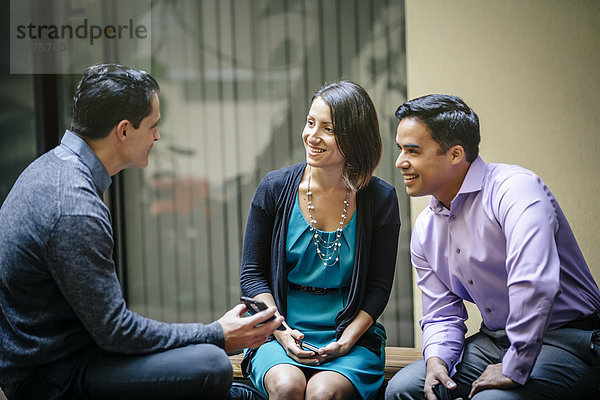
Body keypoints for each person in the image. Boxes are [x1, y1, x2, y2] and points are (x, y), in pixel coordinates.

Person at [0, 63, 282, 400]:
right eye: (153, 125)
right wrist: (217, 334)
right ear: (123, 131)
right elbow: (116, 333)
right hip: (53, 378)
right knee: (212, 364)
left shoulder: (51, 167)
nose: (158, 136)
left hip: (58, 356)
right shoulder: (75, 207)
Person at [385, 94, 600, 400]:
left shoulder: (516, 190)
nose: (400, 162)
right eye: (400, 149)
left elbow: (533, 283)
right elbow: (442, 313)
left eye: (412, 151)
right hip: (494, 341)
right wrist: (436, 360)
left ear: (456, 154)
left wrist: (514, 366)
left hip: (570, 339)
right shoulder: (425, 227)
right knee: (403, 390)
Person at [239, 80, 401, 400]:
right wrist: (282, 333)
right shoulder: (274, 188)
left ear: (355, 138)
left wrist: (346, 341)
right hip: (278, 329)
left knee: (323, 392)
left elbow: (378, 288)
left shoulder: (380, 199)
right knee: (287, 386)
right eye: (310, 122)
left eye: (328, 128)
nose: (312, 136)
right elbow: (252, 275)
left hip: (350, 334)